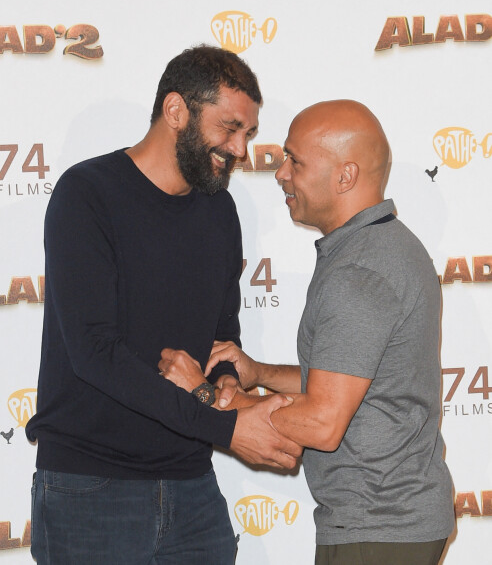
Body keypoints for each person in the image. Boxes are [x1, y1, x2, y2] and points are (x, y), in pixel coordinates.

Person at [25, 44, 301, 565]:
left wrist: (221, 384)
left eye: (248, 134)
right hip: (90, 488)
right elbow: (95, 354)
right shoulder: (87, 195)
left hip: (192, 486)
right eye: (230, 127)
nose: (241, 150)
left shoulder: (221, 212)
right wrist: (225, 427)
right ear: (176, 112)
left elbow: (222, 337)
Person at [159, 100, 455, 565]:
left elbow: (322, 422)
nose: (280, 173)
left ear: (345, 176)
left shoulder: (360, 271)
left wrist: (205, 395)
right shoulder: (381, 246)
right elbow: (349, 382)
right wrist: (258, 371)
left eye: (295, 161)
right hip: (393, 522)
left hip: (377, 529)